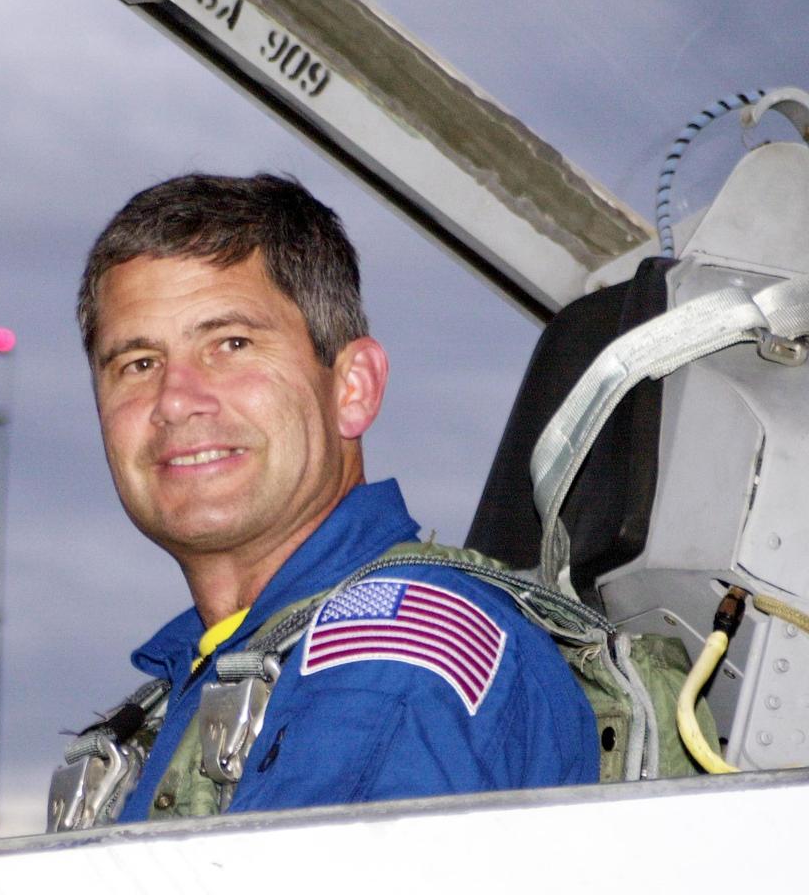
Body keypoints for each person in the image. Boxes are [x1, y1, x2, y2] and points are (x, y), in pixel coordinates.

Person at [59, 172, 597, 826]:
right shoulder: (193, 688)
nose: (175, 402)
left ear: (353, 388)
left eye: (231, 345)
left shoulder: (392, 661)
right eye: (138, 363)